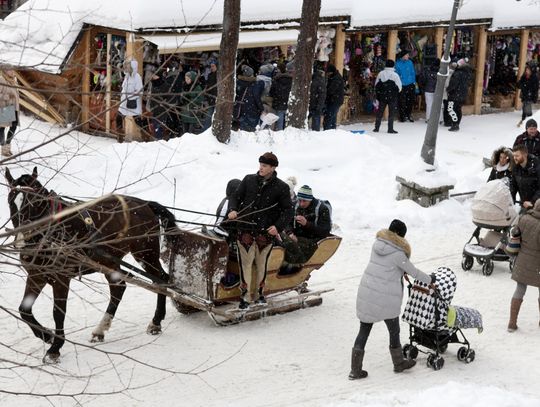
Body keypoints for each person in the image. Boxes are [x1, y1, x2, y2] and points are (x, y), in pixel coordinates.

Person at [350, 219, 435, 380]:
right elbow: (414, 272)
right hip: (384, 298)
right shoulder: (398, 254)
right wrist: (430, 279)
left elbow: (384, 267)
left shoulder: (377, 245)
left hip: (367, 292)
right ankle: (398, 363)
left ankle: (355, 369)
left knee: (364, 330)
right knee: (394, 330)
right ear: (401, 236)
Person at [227, 152, 293, 309]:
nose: (261, 168)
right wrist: (233, 209)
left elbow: (288, 211)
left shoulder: (282, 187)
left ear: (273, 168)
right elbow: (235, 197)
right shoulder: (249, 179)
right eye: (260, 165)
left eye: (264, 166)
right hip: (245, 230)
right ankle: (245, 297)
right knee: (246, 264)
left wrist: (278, 226)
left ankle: (260, 294)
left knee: (262, 264)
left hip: (265, 233)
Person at [507, 199, 540, 332]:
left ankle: (512, 323)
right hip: (538, 265)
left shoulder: (525, 218)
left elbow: (515, 233)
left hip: (523, 261)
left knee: (520, 290)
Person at [280, 185, 331, 266]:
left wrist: (307, 224)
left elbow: (325, 231)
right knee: (278, 238)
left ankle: (295, 264)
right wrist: (290, 233)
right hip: (296, 236)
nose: (301, 203)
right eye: (300, 200)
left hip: (312, 241)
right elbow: (286, 222)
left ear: (310, 200)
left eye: (304, 201)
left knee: (287, 245)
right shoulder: (295, 205)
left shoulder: (321, 209)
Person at [115, 60, 144, 143]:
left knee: (138, 121)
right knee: (119, 118)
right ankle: (119, 137)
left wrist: (130, 96)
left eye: (127, 66)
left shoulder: (137, 77)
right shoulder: (126, 76)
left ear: (132, 67)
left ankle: (145, 136)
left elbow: (140, 91)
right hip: (124, 103)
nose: (125, 68)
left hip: (133, 103)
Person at [373, 59, 402, 134]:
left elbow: (376, 85)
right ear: (393, 66)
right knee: (391, 113)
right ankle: (390, 129)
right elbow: (399, 87)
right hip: (392, 97)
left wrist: (379, 93)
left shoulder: (381, 73)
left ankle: (376, 127)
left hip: (382, 96)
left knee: (380, 112)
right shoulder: (395, 75)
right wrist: (394, 92)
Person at [234, 65, 264, 132]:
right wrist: (261, 108)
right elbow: (257, 97)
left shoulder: (238, 82)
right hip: (252, 110)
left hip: (241, 109)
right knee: (250, 131)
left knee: (242, 129)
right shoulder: (255, 84)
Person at [511, 144, 540, 211]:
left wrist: (532, 201)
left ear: (525, 155)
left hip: (537, 205)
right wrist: (511, 198)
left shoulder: (537, 166)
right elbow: (513, 185)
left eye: (517, 156)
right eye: (514, 156)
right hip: (524, 204)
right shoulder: (515, 167)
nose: (515, 158)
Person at [446, 58, 472, 132]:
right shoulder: (468, 73)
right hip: (462, 94)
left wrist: (448, 90)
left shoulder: (457, 73)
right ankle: (457, 123)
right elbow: (469, 84)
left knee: (451, 109)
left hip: (454, 94)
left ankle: (454, 124)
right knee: (458, 109)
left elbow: (453, 84)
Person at [0, 68, 20, 156]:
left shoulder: (14, 80)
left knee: (13, 127)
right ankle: (4, 148)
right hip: (5, 107)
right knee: (2, 128)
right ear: (5, 71)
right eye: (10, 70)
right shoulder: (2, 79)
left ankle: (7, 146)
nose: (12, 72)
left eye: (13, 70)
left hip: (14, 107)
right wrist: (7, 97)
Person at [269, 61, 294, 131]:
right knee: (285, 118)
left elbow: (271, 92)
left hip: (278, 101)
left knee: (279, 117)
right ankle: (286, 131)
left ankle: (279, 132)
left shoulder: (276, 79)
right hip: (287, 100)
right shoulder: (291, 79)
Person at [395, 50, 416, 123]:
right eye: (407, 55)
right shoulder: (397, 64)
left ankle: (408, 115)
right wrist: (399, 82)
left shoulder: (410, 62)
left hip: (410, 84)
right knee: (401, 101)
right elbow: (396, 75)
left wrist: (413, 82)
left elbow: (413, 72)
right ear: (403, 56)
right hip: (402, 85)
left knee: (410, 101)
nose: (408, 56)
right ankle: (402, 116)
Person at [323, 64, 345, 130]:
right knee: (332, 117)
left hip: (335, 101)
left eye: (329, 73)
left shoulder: (336, 78)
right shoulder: (334, 77)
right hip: (334, 100)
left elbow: (331, 90)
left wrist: (325, 93)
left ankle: (327, 132)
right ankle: (332, 131)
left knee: (329, 117)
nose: (328, 74)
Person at [419, 58, 440, 122]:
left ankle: (428, 118)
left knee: (429, 105)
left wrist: (423, 87)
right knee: (439, 105)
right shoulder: (440, 71)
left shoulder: (427, 70)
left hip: (428, 89)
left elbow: (422, 80)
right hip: (437, 90)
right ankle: (439, 119)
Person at [309, 64, 327, 131]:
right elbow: (322, 95)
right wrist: (319, 106)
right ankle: (315, 133)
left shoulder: (313, 79)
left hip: (312, 103)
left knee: (313, 118)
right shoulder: (321, 81)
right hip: (316, 104)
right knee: (316, 121)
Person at [202, 59, 218, 131]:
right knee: (208, 117)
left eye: (213, 66)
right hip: (211, 100)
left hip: (218, 99)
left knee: (216, 117)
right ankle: (206, 131)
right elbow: (208, 87)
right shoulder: (210, 75)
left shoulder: (219, 75)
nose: (212, 67)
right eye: (211, 66)